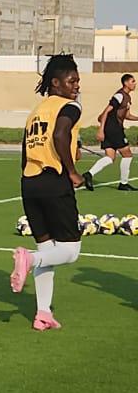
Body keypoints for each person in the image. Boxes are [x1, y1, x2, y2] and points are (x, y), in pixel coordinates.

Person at [10, 53, 84, 331]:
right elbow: (59, 135)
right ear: (56, 83)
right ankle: (29, 259)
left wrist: (25, 181)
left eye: (78, 80)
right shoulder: (69, 107)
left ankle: (42, 313)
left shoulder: (36, 111)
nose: (76, 85)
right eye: (71, 80)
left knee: (47, 248)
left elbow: (25, 149)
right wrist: (73, 171)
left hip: (29, 183)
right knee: (70, 251)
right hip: (54, 181)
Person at [85, 73, 135, 189]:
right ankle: (123, 183)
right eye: (133, 81)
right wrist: (100, 129)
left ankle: (89, 174)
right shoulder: (119, 95)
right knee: (127, 154)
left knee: (110, 157)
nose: (135, 84)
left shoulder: (127, 98)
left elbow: (126, 115)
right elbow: (107, 110)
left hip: (111, 128)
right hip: (114, 129)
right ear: (126, 83)